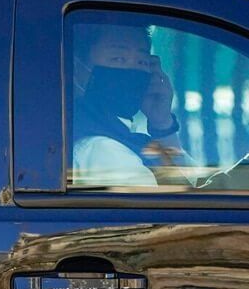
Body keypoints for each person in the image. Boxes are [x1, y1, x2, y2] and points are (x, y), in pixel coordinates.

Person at [72, 23, 195, 187]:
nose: (132, 69)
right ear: (76, 67)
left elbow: (193, 184)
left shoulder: (122, 135)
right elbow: (192, 200)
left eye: (142, 62)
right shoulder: (103, 150)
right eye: (118, 58)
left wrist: (162, 125)